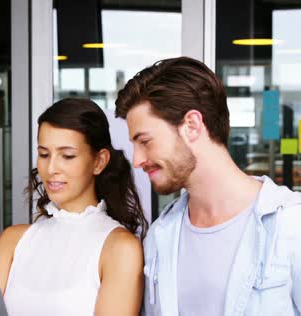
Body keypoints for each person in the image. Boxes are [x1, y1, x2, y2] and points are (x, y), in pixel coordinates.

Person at [115, 56, 301, 315]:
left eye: (145, 141)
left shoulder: (291, 226)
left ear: (192, 125)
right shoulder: (160, 236)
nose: (137, 160)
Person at [0, 98, 147, 315]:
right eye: (44, 154)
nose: (51, 168)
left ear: (99, 161)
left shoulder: (119, 248)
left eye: (67, 156)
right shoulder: (12, 241)